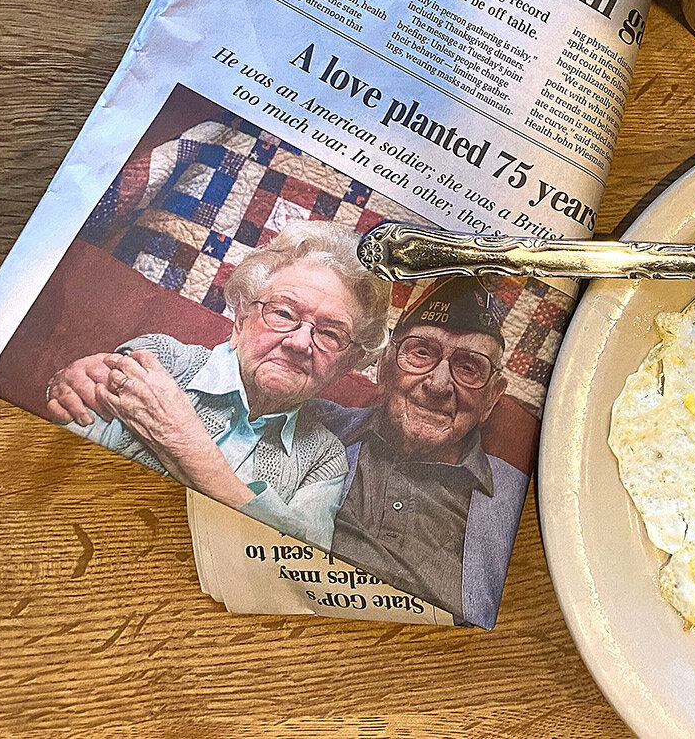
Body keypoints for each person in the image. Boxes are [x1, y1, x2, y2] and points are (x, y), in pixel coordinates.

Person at [43, 220, 392, 548]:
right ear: (241, 317)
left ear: (347, 363)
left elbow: (295, 564)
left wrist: (187, 444)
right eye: (284, 313)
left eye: (330, 334)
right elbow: (59, 479)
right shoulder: (160, 361)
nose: (300, 343)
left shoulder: (324, 459)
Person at [311, 277, 527, 628]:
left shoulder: (522, 505)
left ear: (492, 397)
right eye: (421, 353)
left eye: (468, 367)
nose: (438, 385)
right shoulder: (312, 425)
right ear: (384, 366)